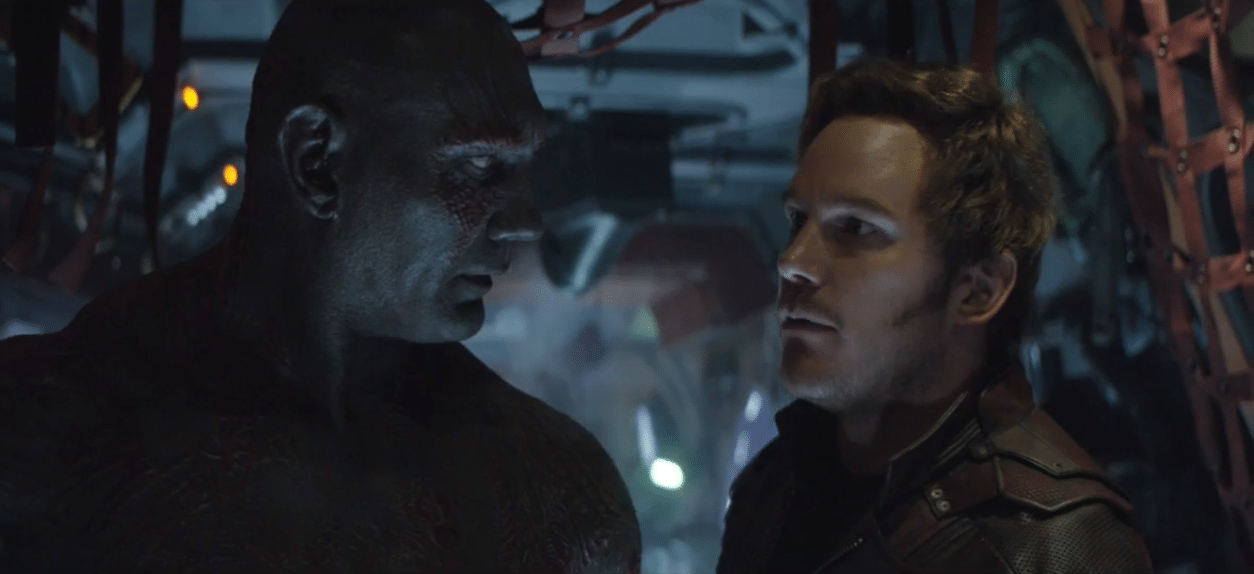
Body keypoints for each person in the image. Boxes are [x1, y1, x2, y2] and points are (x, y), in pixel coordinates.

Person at [0, 1, 642, 571]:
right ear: (317, 161)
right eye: (478, 164)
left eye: (524, 166)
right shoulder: (44, 435)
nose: (526, 221)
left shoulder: (560, 496)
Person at [716, 60, 1154, 574]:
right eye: (797, 220)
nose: (792, 260)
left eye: (855, 227)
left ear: (978, 289)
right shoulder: (775, 485)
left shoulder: (1057, 547)